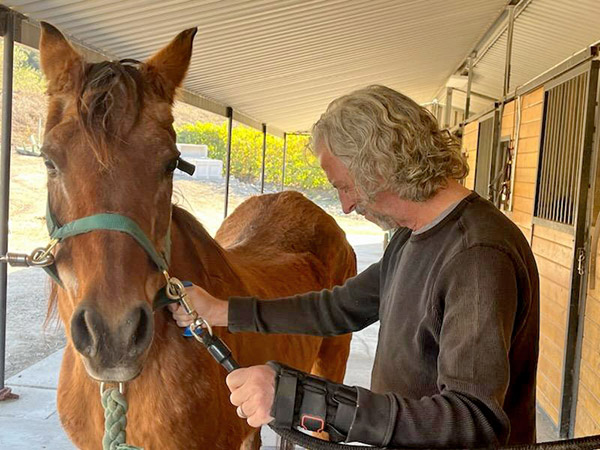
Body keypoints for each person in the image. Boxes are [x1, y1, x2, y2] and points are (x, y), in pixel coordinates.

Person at [169, 85, 539, 448]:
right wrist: (223, 310)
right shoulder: (413, 237)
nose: (345, 206)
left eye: (345, 187)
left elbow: (472, 419)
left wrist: (304, 401)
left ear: (381, 167)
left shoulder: (477, 255)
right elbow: (336, 308)